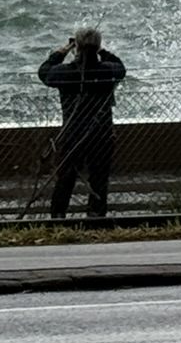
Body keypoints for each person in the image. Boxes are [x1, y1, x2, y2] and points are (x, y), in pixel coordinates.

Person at [38, 27, 127, 219]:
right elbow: (120, 67)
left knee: (65, 179)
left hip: (72, 134)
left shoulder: (64, 73)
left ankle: (58, 216)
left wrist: (64, 50)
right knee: (99, 179)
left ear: (76, 47)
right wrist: (101, 50)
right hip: (101, 134)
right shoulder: (107, 72)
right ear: (96, 47)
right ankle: (96, 216)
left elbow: (44, 72)